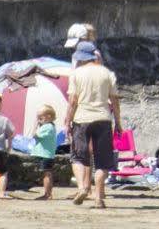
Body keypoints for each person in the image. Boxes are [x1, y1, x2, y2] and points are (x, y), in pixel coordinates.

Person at [64, 41, 120, 210]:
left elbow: (73, 101)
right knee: (103, 162)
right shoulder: (107, 73)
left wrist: (68, 120)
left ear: (80, 57)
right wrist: (118, 122)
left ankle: (82, 187)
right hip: (103, 119)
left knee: (77, 157)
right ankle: (98, 198)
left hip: (82, 119)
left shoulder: (76, 74)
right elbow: (115, 101)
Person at [31, 105, 61, 200]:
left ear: (48, 117)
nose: (39, 120)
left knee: (47, 174)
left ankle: (47, 194)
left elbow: (35, 135)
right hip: (47, 154)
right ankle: (48, 193)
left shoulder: (47, 127)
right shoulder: (50, 126)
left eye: (40, 118)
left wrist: (35, 126)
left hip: (45, 155)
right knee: (47, 173)